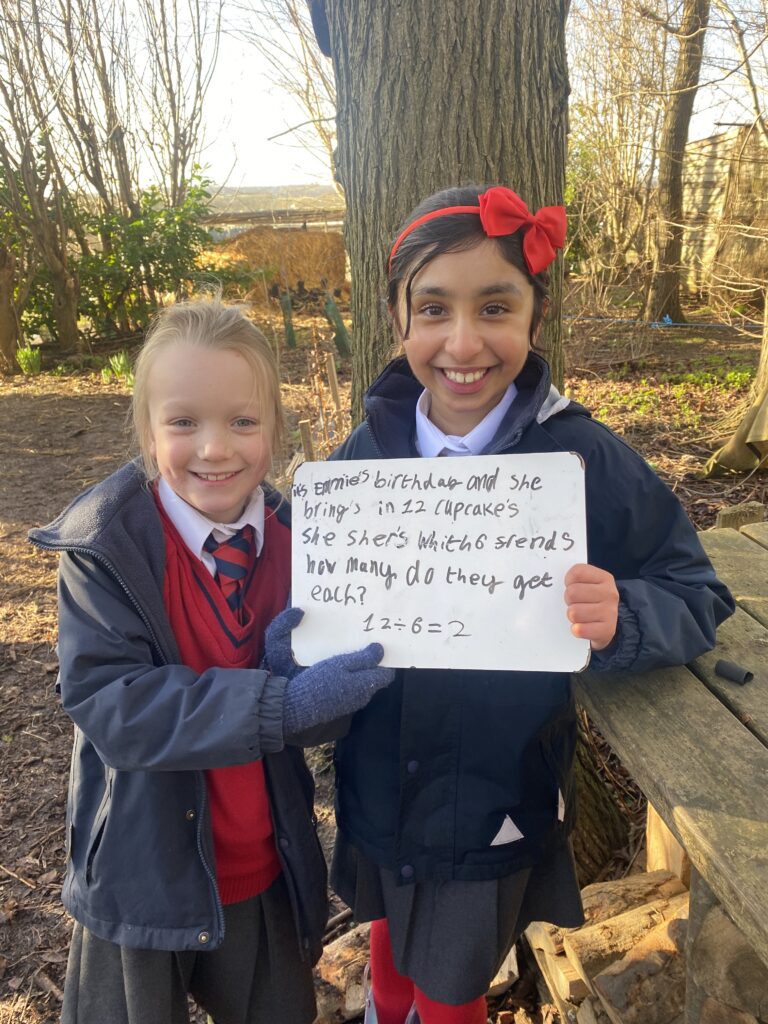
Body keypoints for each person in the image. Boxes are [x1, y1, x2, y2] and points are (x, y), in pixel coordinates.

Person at [325, 185, 735, 1024]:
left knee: (453, 983)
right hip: (379, 784)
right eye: (434, 308)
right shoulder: (363, 453)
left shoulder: (579, 453)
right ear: (398, 318)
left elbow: (696, 588)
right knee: (392, 949)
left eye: (495, 307)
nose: (464, 342)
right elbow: (310, 595)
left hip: (493, 795)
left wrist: (623, 615)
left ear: (535, 319)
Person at [28, 298, 394, 1024]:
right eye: (184, 422)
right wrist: (275, 702)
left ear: (275, 429)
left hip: (263, 860)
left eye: (243, 421)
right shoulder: (106, 550)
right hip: (140, 872)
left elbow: (320, 712)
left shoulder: (307, 547)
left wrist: (312, 697)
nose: (215, 449)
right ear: (148, 430)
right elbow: (114, 704)